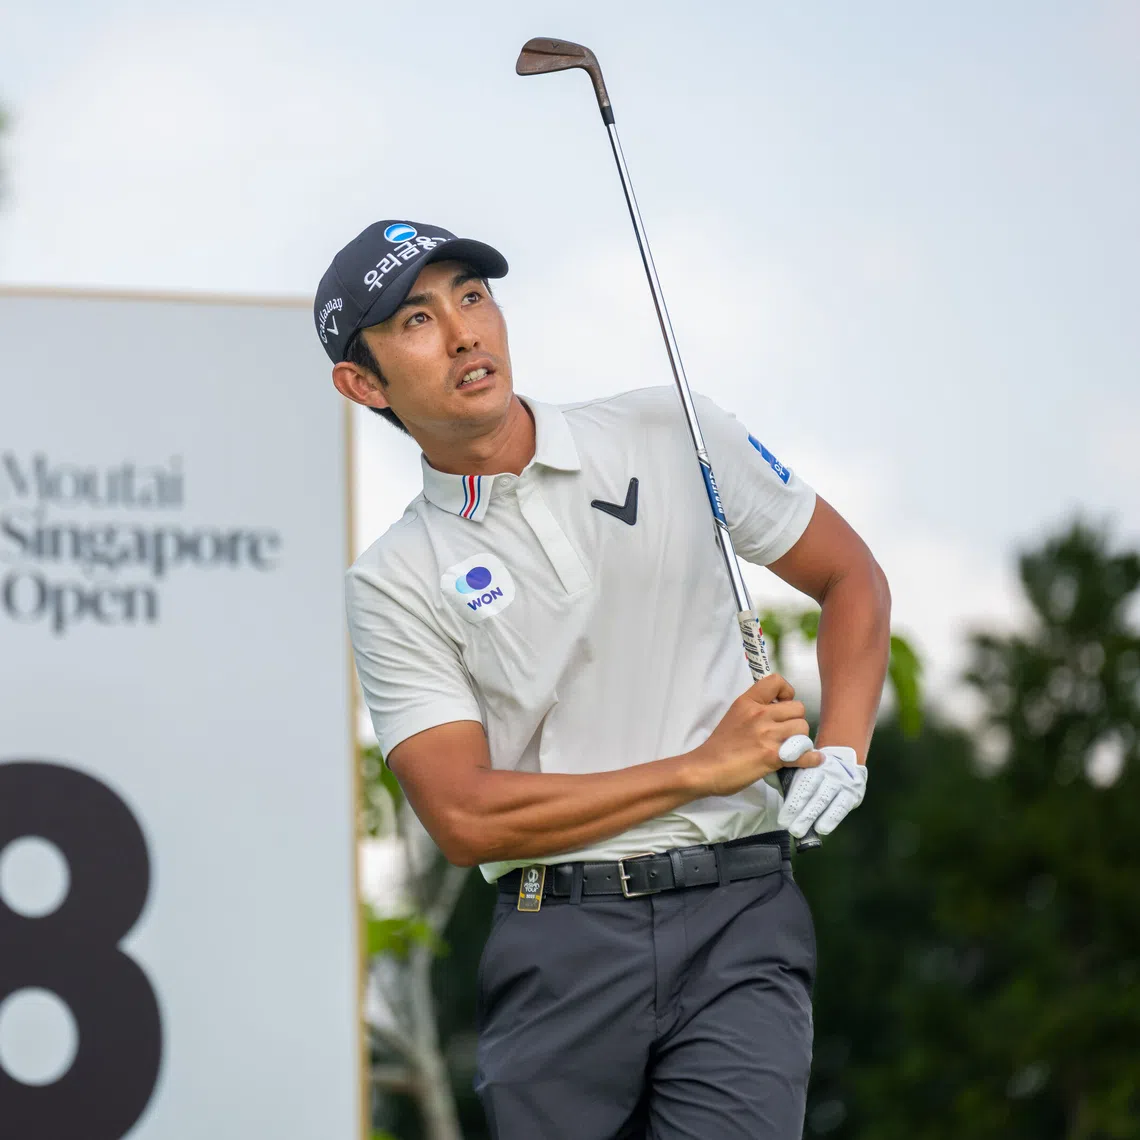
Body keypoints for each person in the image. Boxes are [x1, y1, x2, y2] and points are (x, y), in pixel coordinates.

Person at [315, 219, 891, 1139]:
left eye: (473, 296)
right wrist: (699, 768)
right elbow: (465, 817)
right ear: (362, 382)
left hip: (739, 912)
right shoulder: (393, 579)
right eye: (417, 320)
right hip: (562, 942)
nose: (465, 331)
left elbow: (849, 575)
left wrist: (847, 746)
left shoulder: (670, 429)